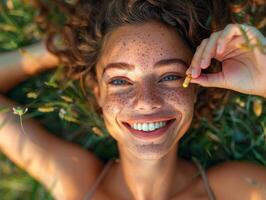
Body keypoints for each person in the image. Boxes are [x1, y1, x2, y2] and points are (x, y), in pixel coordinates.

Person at [0, 0, 266, 200]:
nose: (146, 101)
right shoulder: (76, 181)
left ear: (195, 86)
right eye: (119, 81)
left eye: (169, 77)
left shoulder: (237, 188)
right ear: (97, 92)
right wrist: (64, 49)